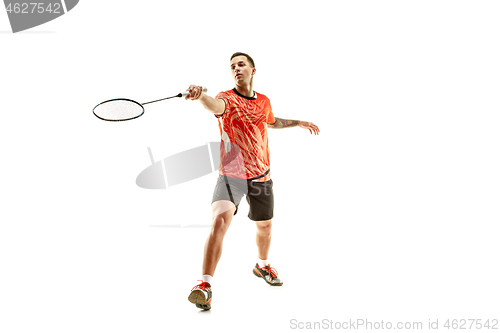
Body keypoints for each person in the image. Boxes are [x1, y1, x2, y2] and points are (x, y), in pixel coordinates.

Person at [186, 52, 320, 310]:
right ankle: (204, 285)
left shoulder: (264, 101)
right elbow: (215, 106)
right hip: (231, 176)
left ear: (253, 70)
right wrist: (201, 95)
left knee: (265, 227)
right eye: (232, 66)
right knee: (219, 221)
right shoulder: (227, 99)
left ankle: (262, 265)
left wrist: (298, 122)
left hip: (261, 176)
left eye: (241, 64)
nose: (236, 68)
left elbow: (271, 121)